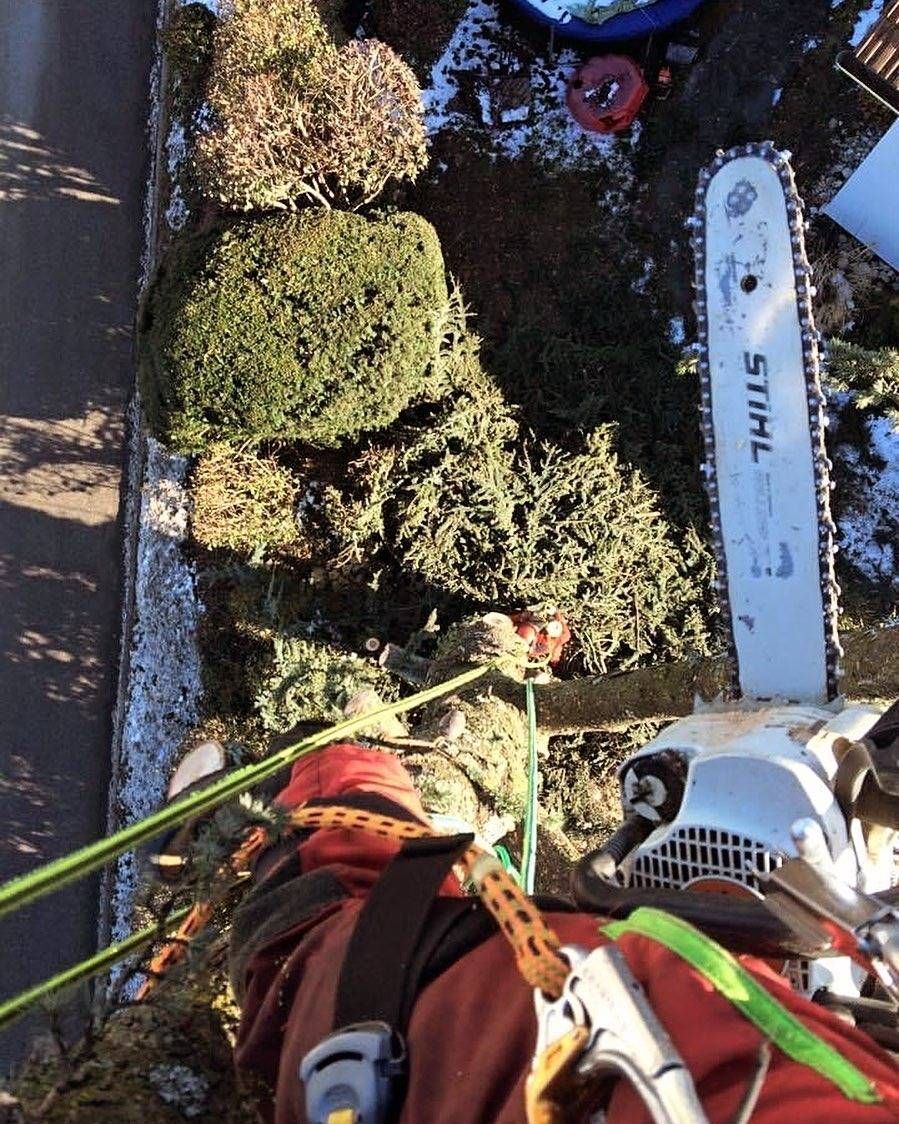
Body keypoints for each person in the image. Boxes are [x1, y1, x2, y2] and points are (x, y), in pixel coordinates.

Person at [224, 739, 899, 1124]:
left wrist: (341, 778)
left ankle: (293, 795)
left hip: (366, 996)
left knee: (338, 837)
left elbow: (441, 1012)